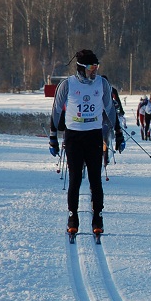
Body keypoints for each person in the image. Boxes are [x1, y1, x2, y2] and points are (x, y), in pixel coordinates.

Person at [48, 49, 123, 236]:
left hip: (94, 136)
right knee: (74, 179)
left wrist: (119, 131)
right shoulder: (67, 85)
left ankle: (97, 216)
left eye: (97, 67)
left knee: (95, 179)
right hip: (74, 136)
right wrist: (52, 137)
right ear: (81, 68)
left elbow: (109, 109)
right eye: (91, 67)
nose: (94, 71)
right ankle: (73, 217)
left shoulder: (102, 83)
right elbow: (56, 111)